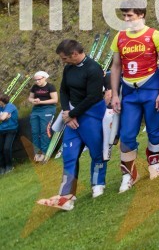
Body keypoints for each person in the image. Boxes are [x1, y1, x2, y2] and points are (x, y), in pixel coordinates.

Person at [34, 39, 106, 209]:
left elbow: (93, 97)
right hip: (71, 119)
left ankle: (98, 184)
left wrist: (73, 114)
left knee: (97, 152)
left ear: (74, 54)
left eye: (64, 58)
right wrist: (67, 112)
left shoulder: (93, 69)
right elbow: (64, 91)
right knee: (69, 155)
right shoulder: (68, 68)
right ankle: (67, 196)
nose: (63, 62)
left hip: (91, 116)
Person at [110, 5, 159, 192]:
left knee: (154, 129)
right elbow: (116, 67)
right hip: (129, 92)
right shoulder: (119, 37)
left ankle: (154, 161)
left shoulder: (155, 35)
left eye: (130, 15)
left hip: (151, 88)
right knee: (127, 133)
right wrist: (114, 93)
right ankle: (128, 174)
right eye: (124, 16)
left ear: (141, 15)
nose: (126, 19)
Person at [27, 71, 57, 162]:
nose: (37, 81)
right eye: (35, 80)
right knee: (35, 131)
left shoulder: (50, 87)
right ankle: (37, 153)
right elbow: (30, 97)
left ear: (44, 78)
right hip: (36, 110)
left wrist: (41, 102)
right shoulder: (34, 87)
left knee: (44, 131)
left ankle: (45, 153)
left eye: (39, 79)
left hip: (48, 109)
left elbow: (55, 100)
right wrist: (33, 101)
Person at [0, 94, 18, 175]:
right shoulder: (1, 108)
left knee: (6, 148)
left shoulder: (10, 106)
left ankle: (9, 166)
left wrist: (3, 117)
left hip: (11, 129)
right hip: (1, 130)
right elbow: (3, 117)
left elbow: (3, 118)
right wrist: (4, 116)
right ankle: (2, 167)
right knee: (0, 149)